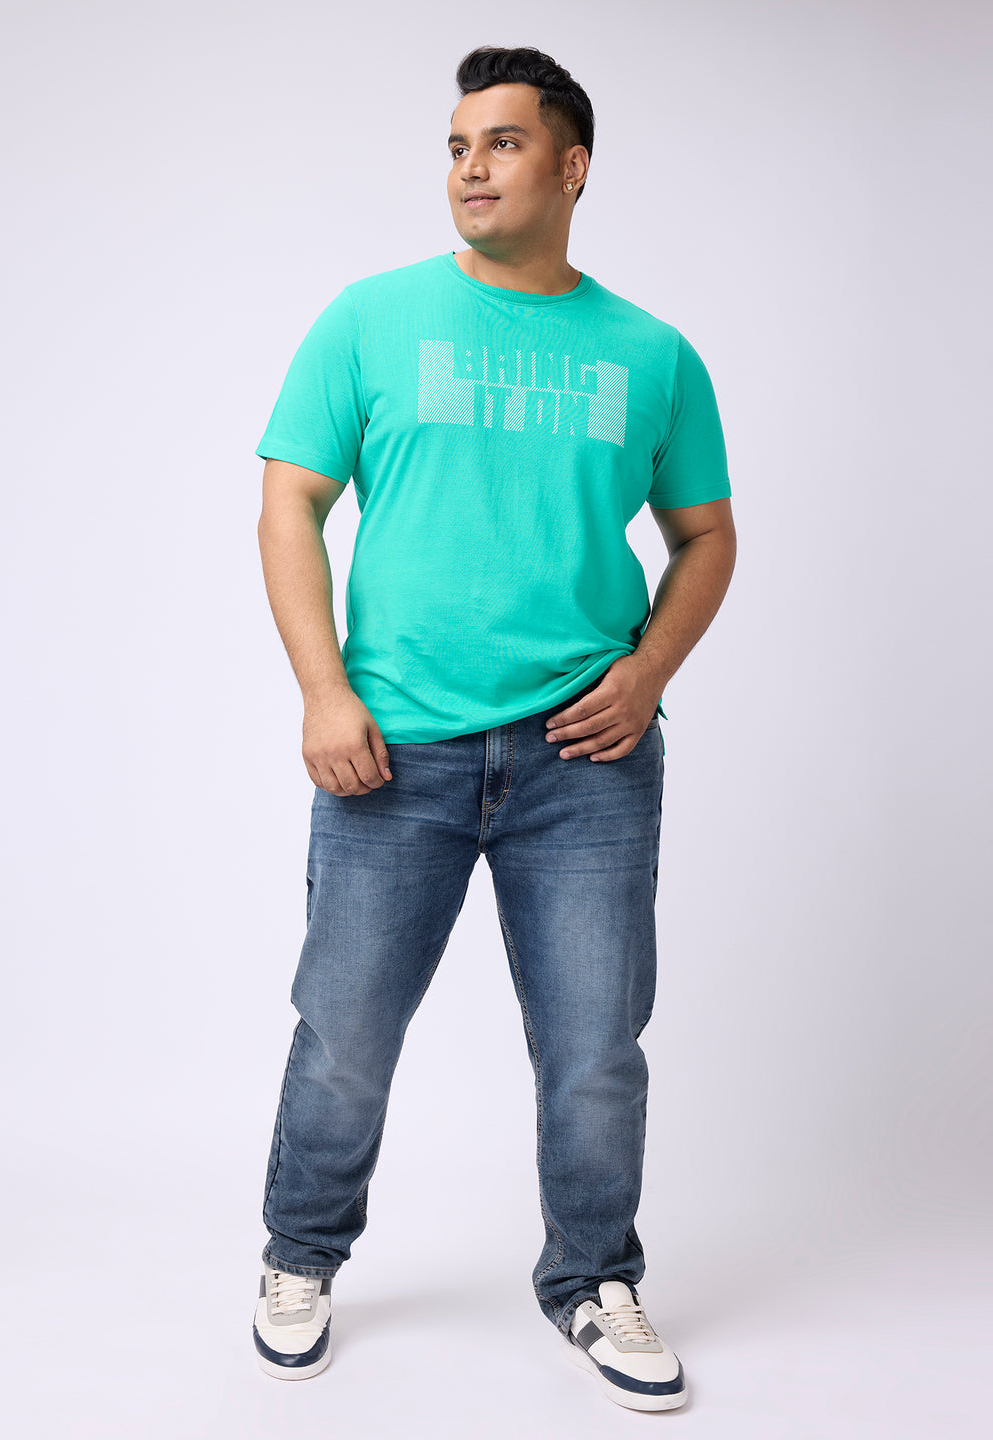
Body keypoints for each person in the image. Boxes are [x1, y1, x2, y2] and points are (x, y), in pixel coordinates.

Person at [250, 44, 736, 1413]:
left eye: (504, 142)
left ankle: (594, 1280)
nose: (471, 166)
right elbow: (290, 506)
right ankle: (299, 1256)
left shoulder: (652, 354)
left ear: (572, 167)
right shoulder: (371, 318)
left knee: (595, 1050)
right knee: (345, 1031)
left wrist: (647, 672)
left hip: (586, 760)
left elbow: (706, 536)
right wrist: (324, 690)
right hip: (391, 750)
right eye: (459, 144)